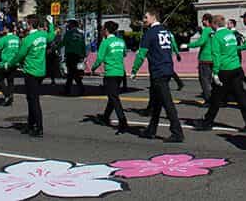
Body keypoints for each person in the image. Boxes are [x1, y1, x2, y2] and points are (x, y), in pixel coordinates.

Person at [196, 14, 246, 133]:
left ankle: (207, 122)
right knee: (241, 96)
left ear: (214, 24)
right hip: (236, 68)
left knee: (216, 98)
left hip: (224, 69)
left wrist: (215, 72)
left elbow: (216, 55)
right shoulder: (230, 34)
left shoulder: (216, 36)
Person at [131, 9, 184, 142]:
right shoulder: (166, 31)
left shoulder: (149, 33)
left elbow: (141, 54)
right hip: (167, 68)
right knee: (157, 101)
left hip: (157, 70)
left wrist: (134, 70)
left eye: (146, 17)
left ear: (154, 17)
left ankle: (177, 132)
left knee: (167, 103)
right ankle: (151, 129)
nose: (144, 20)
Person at [11, 15, 55, 137]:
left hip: (31, 72)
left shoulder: (28, 39)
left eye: (26, 23)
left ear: (30, 25)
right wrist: (51, 24)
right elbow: (51, 37)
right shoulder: (42, 35)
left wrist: (9, 64)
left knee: (34, 100)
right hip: (41, 71)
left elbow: (19, 55)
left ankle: (39, 127)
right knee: (31, 98)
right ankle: (31, 124)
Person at [92, 21, 128, 133]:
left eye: (103, 29)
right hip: (120, 73)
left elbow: (99, 59)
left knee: (114, 98)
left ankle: (123, 121)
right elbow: (124, 54)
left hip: (110, 73)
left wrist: (93, 68)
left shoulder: (105, 42)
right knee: (113, 96)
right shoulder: (121, 41)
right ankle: (105, 116)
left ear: (106, 30)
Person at [188, 14, 215, 102]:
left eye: (203, 20)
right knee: (211, 79)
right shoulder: (214, 30)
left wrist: (188, 45)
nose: (202, 22)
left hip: (205, 57)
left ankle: (208, 99)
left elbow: (201, 42)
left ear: (207, 21)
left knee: (204, 80)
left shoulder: (206, 30)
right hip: (213, 58)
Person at [0, 23, 20, 106]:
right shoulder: (17, 38)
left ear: (7, 29)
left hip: (5, 62)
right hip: (14, 62)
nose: (3, 29)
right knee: (10, 80)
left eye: (4, 28)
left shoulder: (4, 39)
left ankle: (7, 95)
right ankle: (10, 96)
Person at [62, 20, 86, 96]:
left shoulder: (69, 33)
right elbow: (83, 45)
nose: (67, 26)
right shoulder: (80, 34)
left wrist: (55, 48)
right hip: (77, 55)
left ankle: (79, 88)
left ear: (72, 25)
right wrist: (83, 55)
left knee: (72, 73)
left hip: (70, 55)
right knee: (72, 73)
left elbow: (63, 43)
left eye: (69, 24)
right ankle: (67, 89)